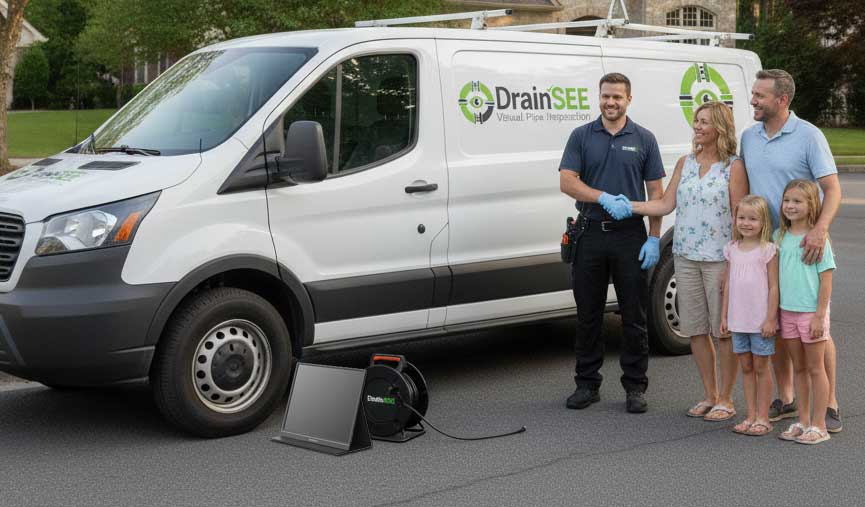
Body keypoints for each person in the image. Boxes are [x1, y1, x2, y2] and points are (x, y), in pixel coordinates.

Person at [628, 101, 748, 422]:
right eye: (696, 120)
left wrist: (735, 263)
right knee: (695, 330)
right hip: (685, 257)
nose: (697, 126)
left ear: (720, 127)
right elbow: (666, 204)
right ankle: (709, 394)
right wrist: (629, 206)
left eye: (704, 121)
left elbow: (739, 217)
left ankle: (727, 398)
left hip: (719, 259)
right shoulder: (686, 163)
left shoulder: (733, 167)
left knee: (722, 331)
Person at [741, 69, 843, 432]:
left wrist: (819, 230)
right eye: (753, 93)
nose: (752, 100)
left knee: (817, 328)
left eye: (760, 95)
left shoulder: (809, 136)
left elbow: (832, 189)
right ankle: (786, 398)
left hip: (805, 242)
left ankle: (828, 402)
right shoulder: (749, 137)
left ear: (782, 100)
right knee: (781, 324)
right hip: (768, 245)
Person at [559, 72, 665, 414]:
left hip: (630, 237)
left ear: (628, 100)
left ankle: (635, 386)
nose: (610, 102)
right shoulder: (581, 136)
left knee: (634, 315)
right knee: (588, 314)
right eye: (606, 96)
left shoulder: (645, 139)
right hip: (589, 232)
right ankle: (586, 384)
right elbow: (567, 182)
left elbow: (657, 195)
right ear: (599, 97)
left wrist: (653, 237)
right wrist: (602, 197)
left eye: (617, 97)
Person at [774, 180, 835, 444]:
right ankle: (803, 420)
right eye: (787, 200)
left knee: (814, 368)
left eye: (797, 201)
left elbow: (827, 280)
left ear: (811, 205)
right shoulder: (780, 236)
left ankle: (819, 425)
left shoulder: (817, 239)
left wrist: (820, 315)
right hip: (787, 313)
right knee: (798, 368)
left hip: (811, 314)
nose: (790, 206)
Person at [719, 195, 778, 436]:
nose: (746, 223)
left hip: (759, 322)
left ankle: (763, 417)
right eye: (741, 217)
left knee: (761, 367)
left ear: (763, 222)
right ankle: (751, 414)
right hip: (738, 320)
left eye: (752, 219)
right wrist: (724, 317)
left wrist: (770, 318)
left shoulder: (768, 250)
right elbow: (728, 286)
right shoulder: (732, 250)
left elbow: (774, 287)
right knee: (746, 367)